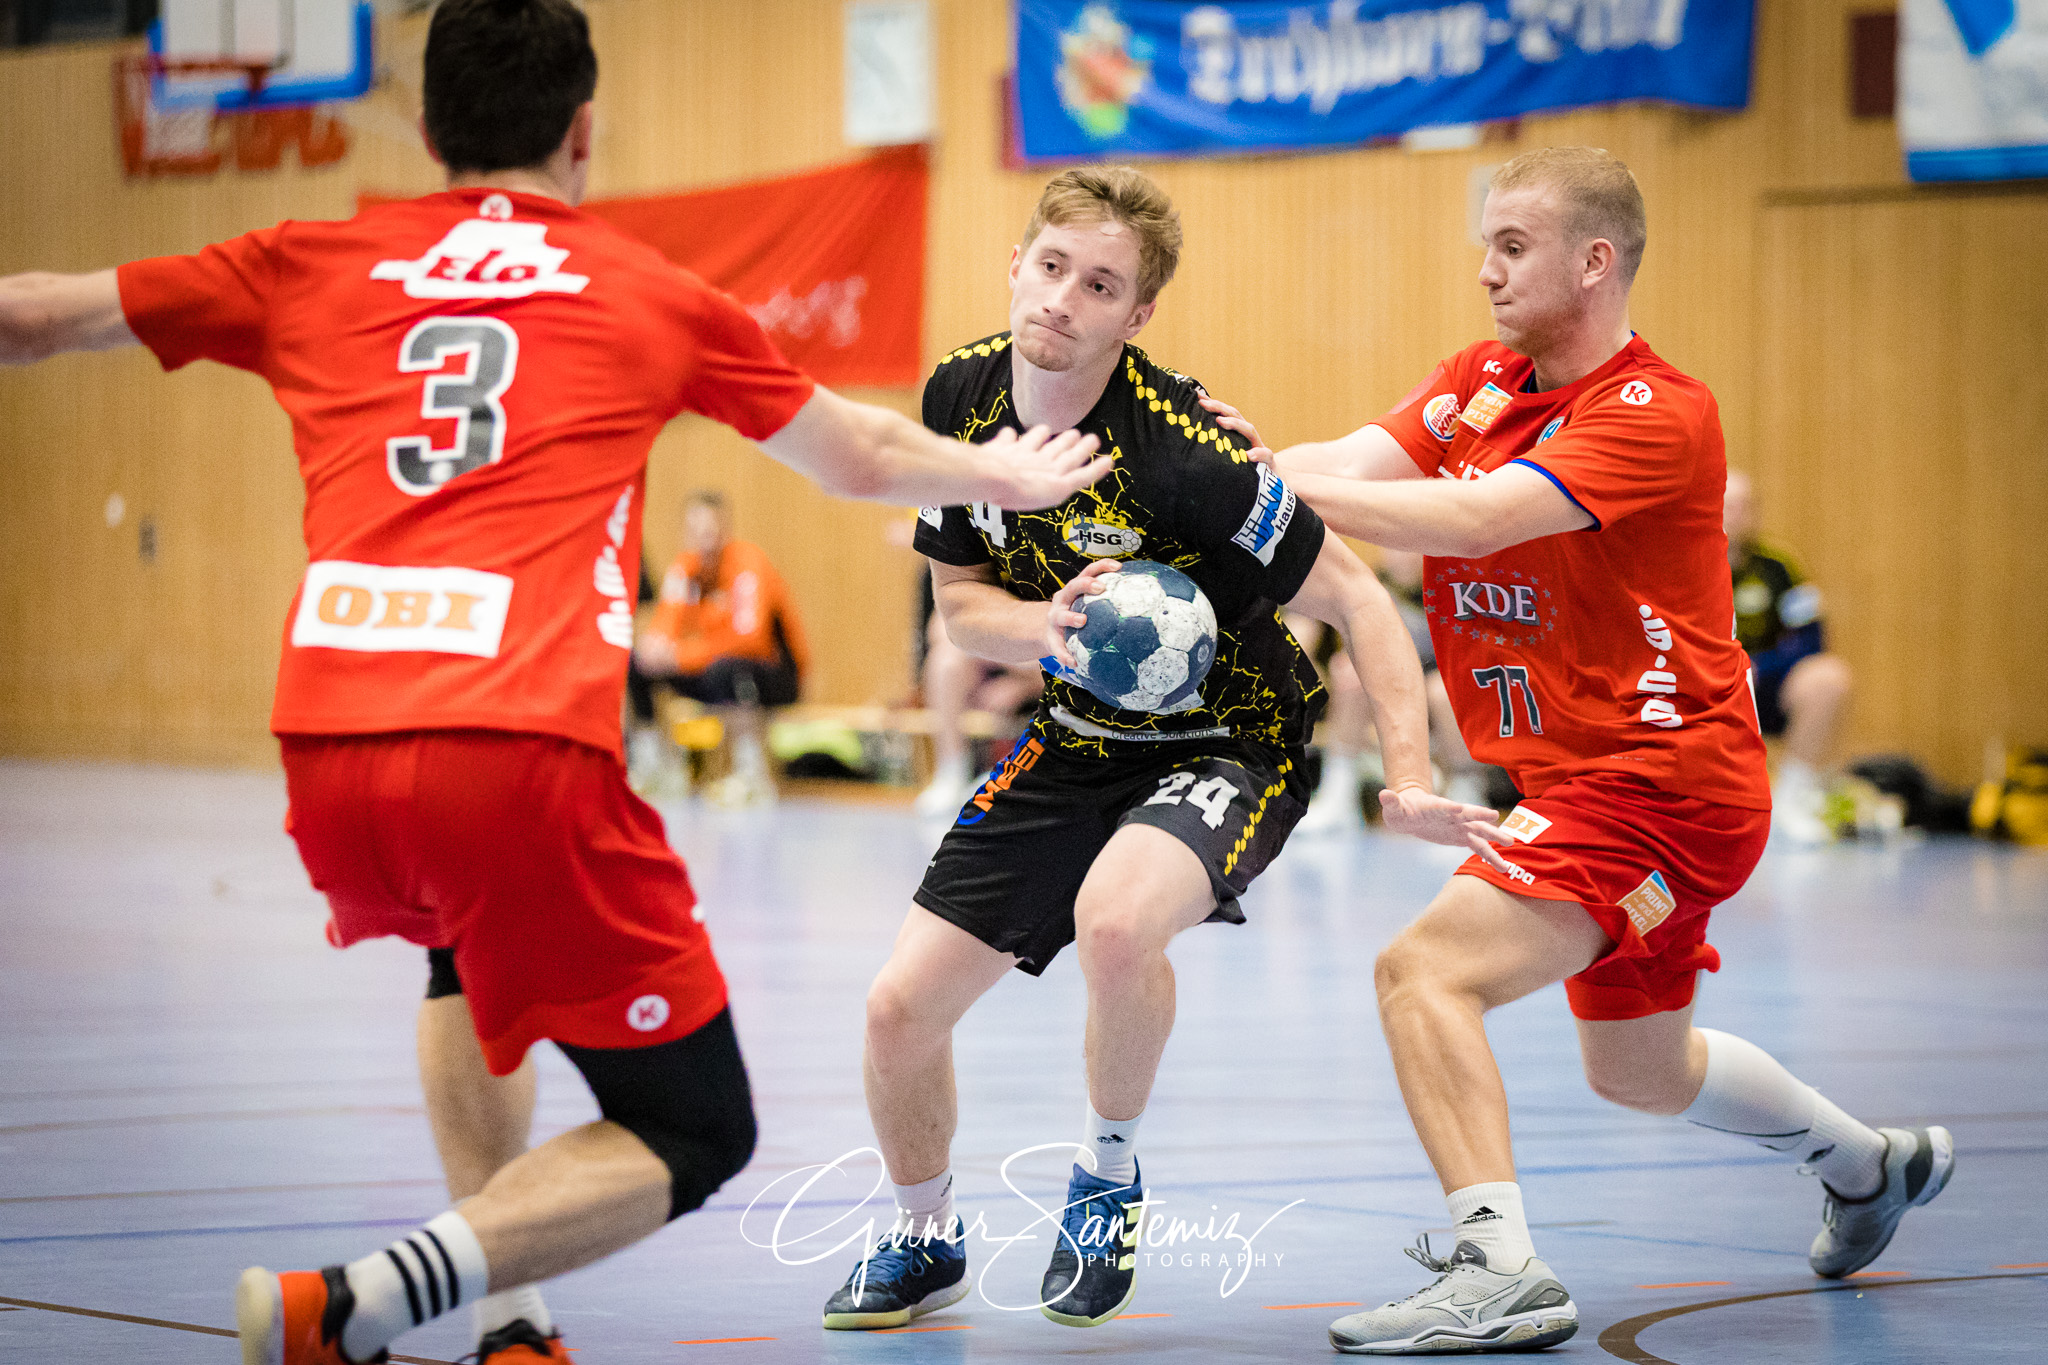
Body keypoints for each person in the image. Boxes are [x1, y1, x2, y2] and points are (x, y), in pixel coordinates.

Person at [0, 3, 1111, 1363]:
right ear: (584, 132)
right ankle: (361, 1305)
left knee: (461, 955)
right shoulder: (642, 287)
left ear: (424, 132)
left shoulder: (309, 253)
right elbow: (863, 456)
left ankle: (512, 1318)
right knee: (697, 1125)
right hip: (514, 742)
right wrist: (1003, 470)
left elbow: (37, 316)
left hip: (325, 741)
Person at [1212, 146, 1952, 1355]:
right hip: (1580, 785)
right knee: (1636, 1072)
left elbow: (1476, 516)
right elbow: (1345, 464)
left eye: (1512, 247)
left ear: (1592, 261)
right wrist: (1229, 471)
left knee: (1421, 973)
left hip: (1661, 787)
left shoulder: (1658, 412)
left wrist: (1257, 498)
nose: (1486, 271)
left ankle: (1496, 1267)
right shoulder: (1479, 380)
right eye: (1485, 245)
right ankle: (1868, 1166)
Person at [819, 166, 1506, 1335]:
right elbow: (961, 611)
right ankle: (925, 1236)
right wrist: (1054, 629)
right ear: (1015, 265)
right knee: (896, 1012)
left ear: (1135, 316)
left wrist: (1407, 778)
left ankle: (1105, 1176)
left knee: (1118, 923)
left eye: (1100, 286)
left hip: (1234, 739)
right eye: (1050, 268)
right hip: (1080, 736)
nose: (1062, 300)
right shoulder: (959, 396)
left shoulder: (1188, 452)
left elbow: (1361, 603)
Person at [1293, 549, 1492, 835]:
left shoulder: (1450, 590)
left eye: (1411, 551)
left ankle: (1467, 789)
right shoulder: (1368, 585)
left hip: (1439, 685)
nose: (1402, 558)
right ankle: (1339, 792)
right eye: (1395, 550)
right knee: (1351, 673)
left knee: (1442, 690)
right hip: (1389, 685)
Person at [630, 490, 808, 806]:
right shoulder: (685, 567)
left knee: (733, 668)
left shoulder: (748, 563)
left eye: (710, 529)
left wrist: (681, 655)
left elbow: (749, 640)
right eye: (695, 530)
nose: (703, 538)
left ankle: (751, 774)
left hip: (773, 673)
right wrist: (655, 647)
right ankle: (654, 765)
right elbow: (664, 623)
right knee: (638, 665)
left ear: (725, 529)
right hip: (709, 668)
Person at [1724, 469, 1855, 845]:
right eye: (1729, 504)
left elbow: (1812, 638)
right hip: (1703, 685)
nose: (1737, 514)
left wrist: (1759, 667)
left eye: (1746, 506)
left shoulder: (1781, 567)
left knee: (1830, 678)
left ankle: (1791, 800)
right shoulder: (1684, 561)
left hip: (1763, 684)